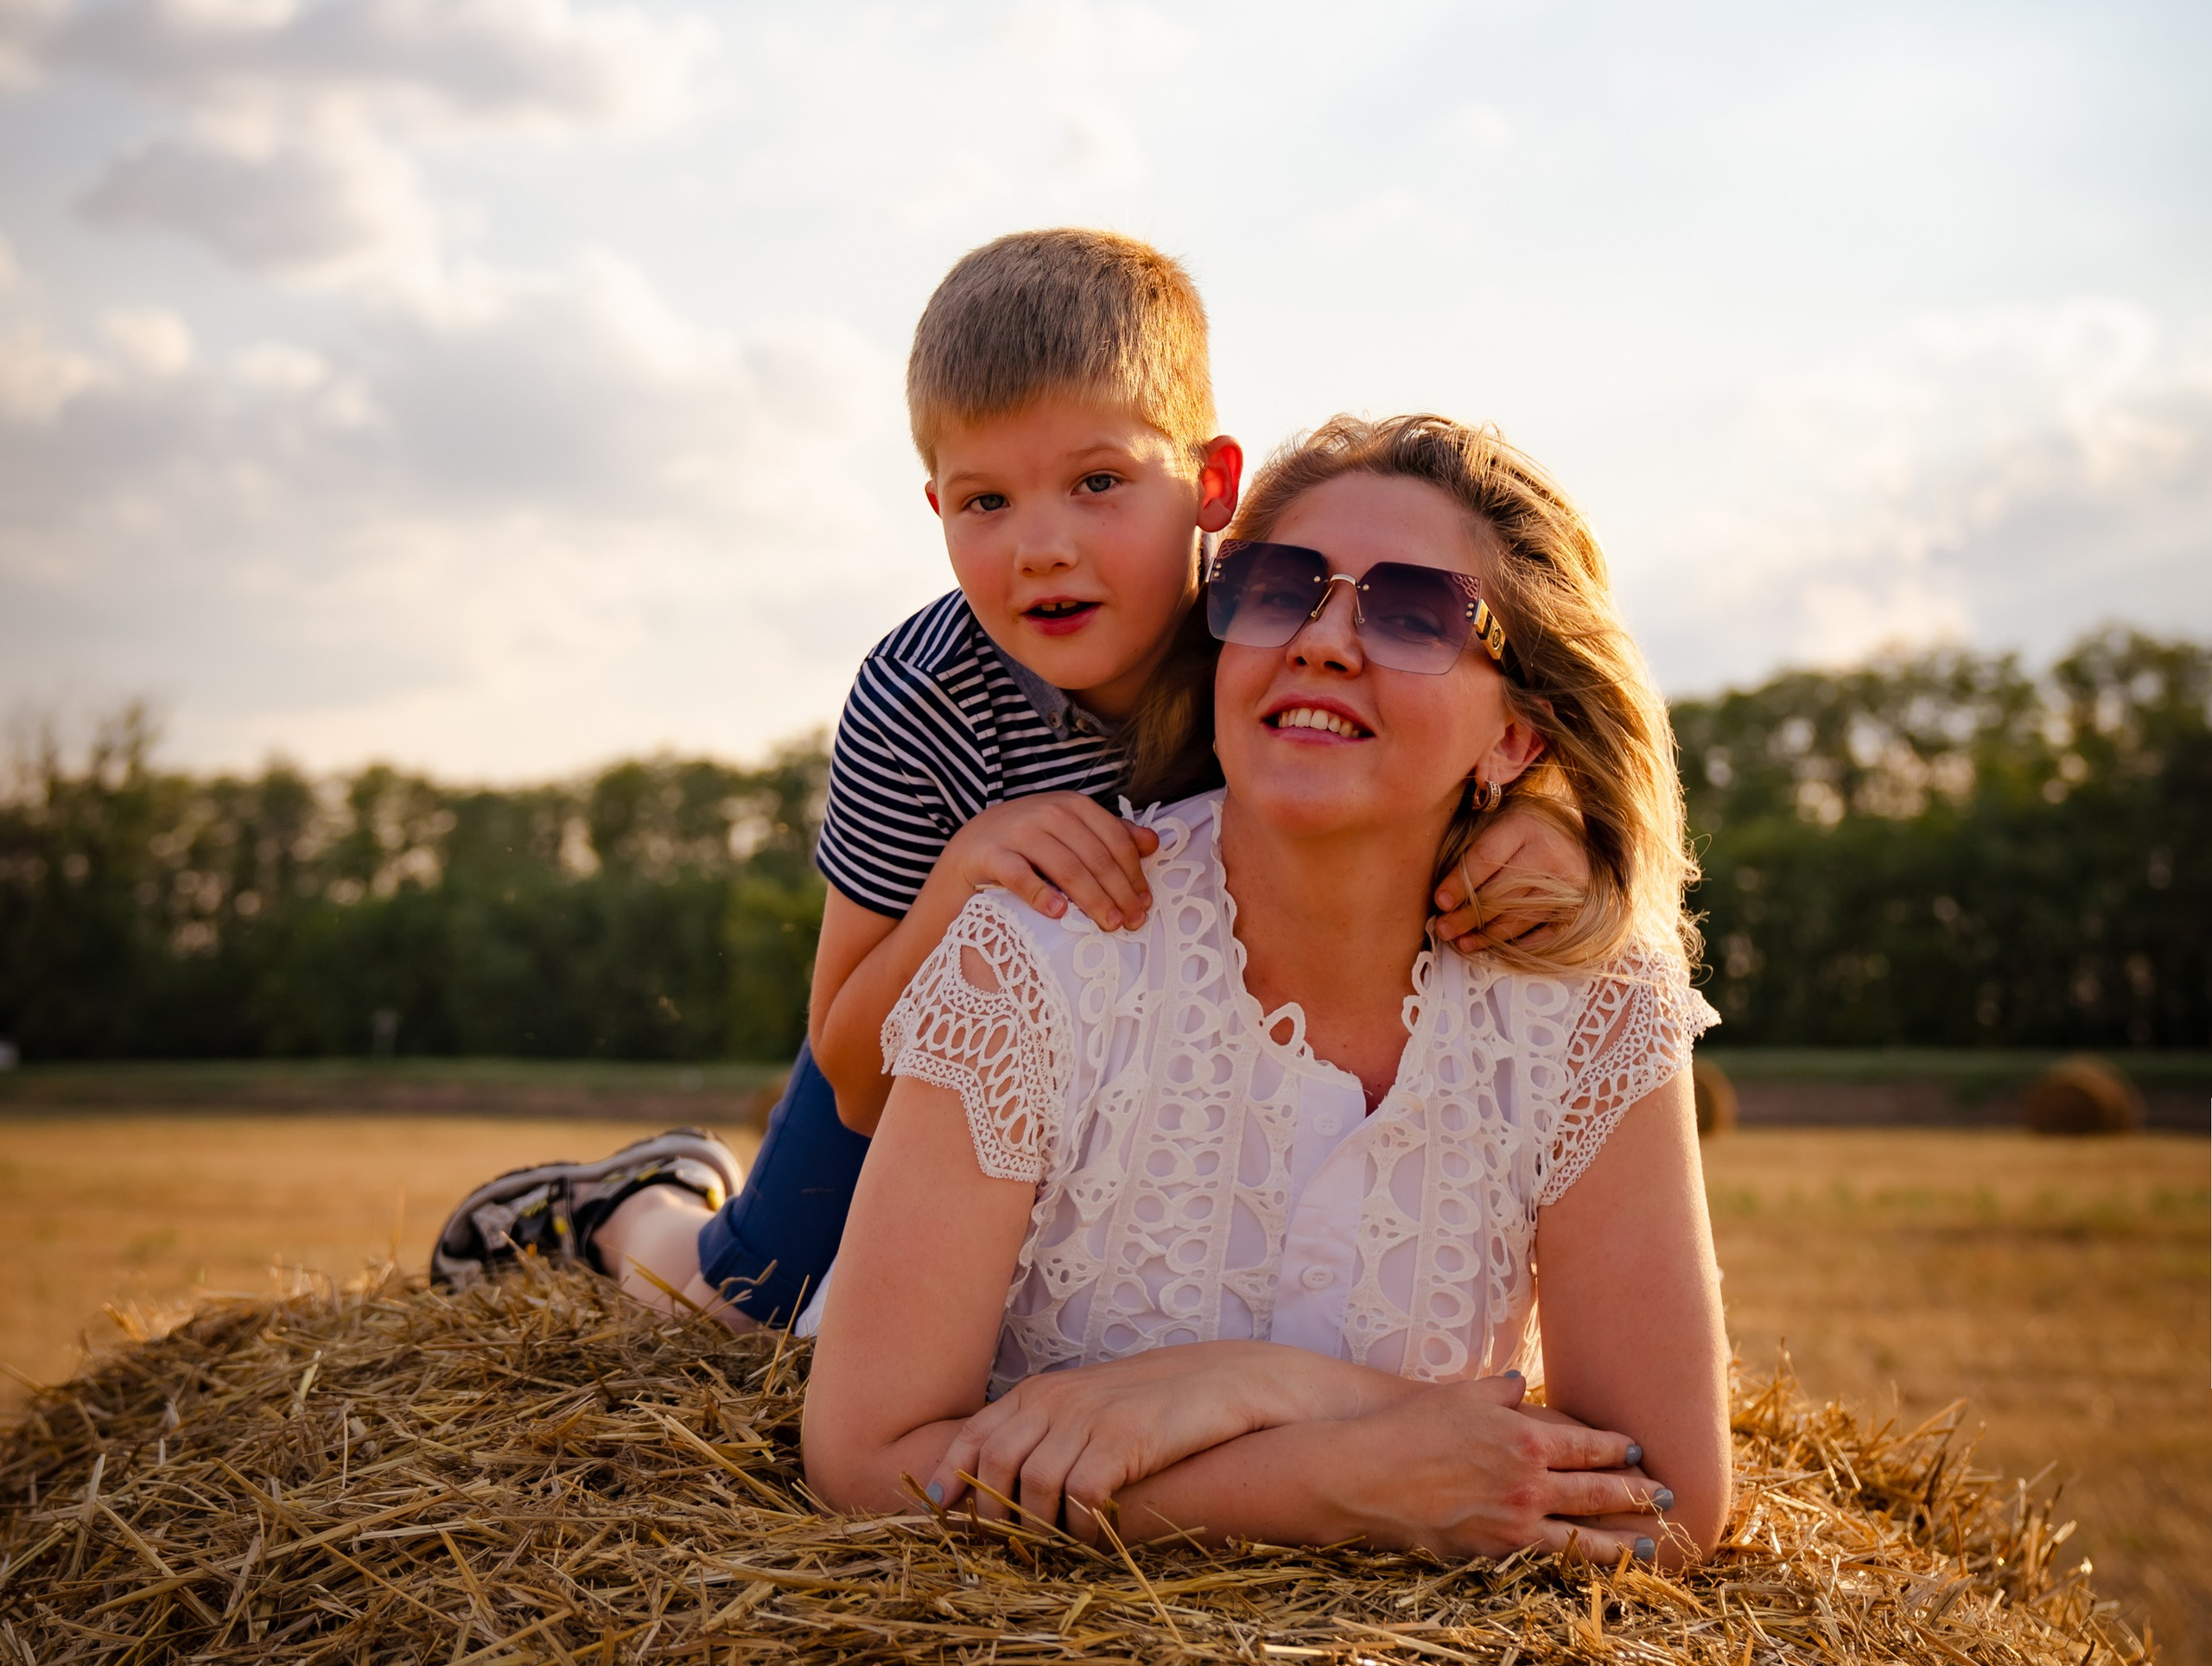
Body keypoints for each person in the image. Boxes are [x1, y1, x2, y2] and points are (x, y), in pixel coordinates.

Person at [431, 234, 1591, 1323]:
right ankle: (638, 1206)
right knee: (750, 1306)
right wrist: (961, 880)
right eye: (986, 501)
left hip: (1165, 1062)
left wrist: (1540, 825)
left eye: (1098, 483)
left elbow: (1469, 715)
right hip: (936, 1039)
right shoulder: (919, 701)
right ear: (935, 509)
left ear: (1215, 484)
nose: (1042, 544)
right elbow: (848, 1068)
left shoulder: (1275, 631)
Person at [800, 412, 1731, 1565]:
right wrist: (1333, 1481)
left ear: (1518, 742)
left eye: (1414, 613)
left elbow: (1664, 1502)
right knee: (718, 1263)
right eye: (1281, 588)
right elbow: (864, 1454)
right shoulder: (1034, 952)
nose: (1325, 641)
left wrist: (1249, 1388)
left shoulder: (1590, 1003)